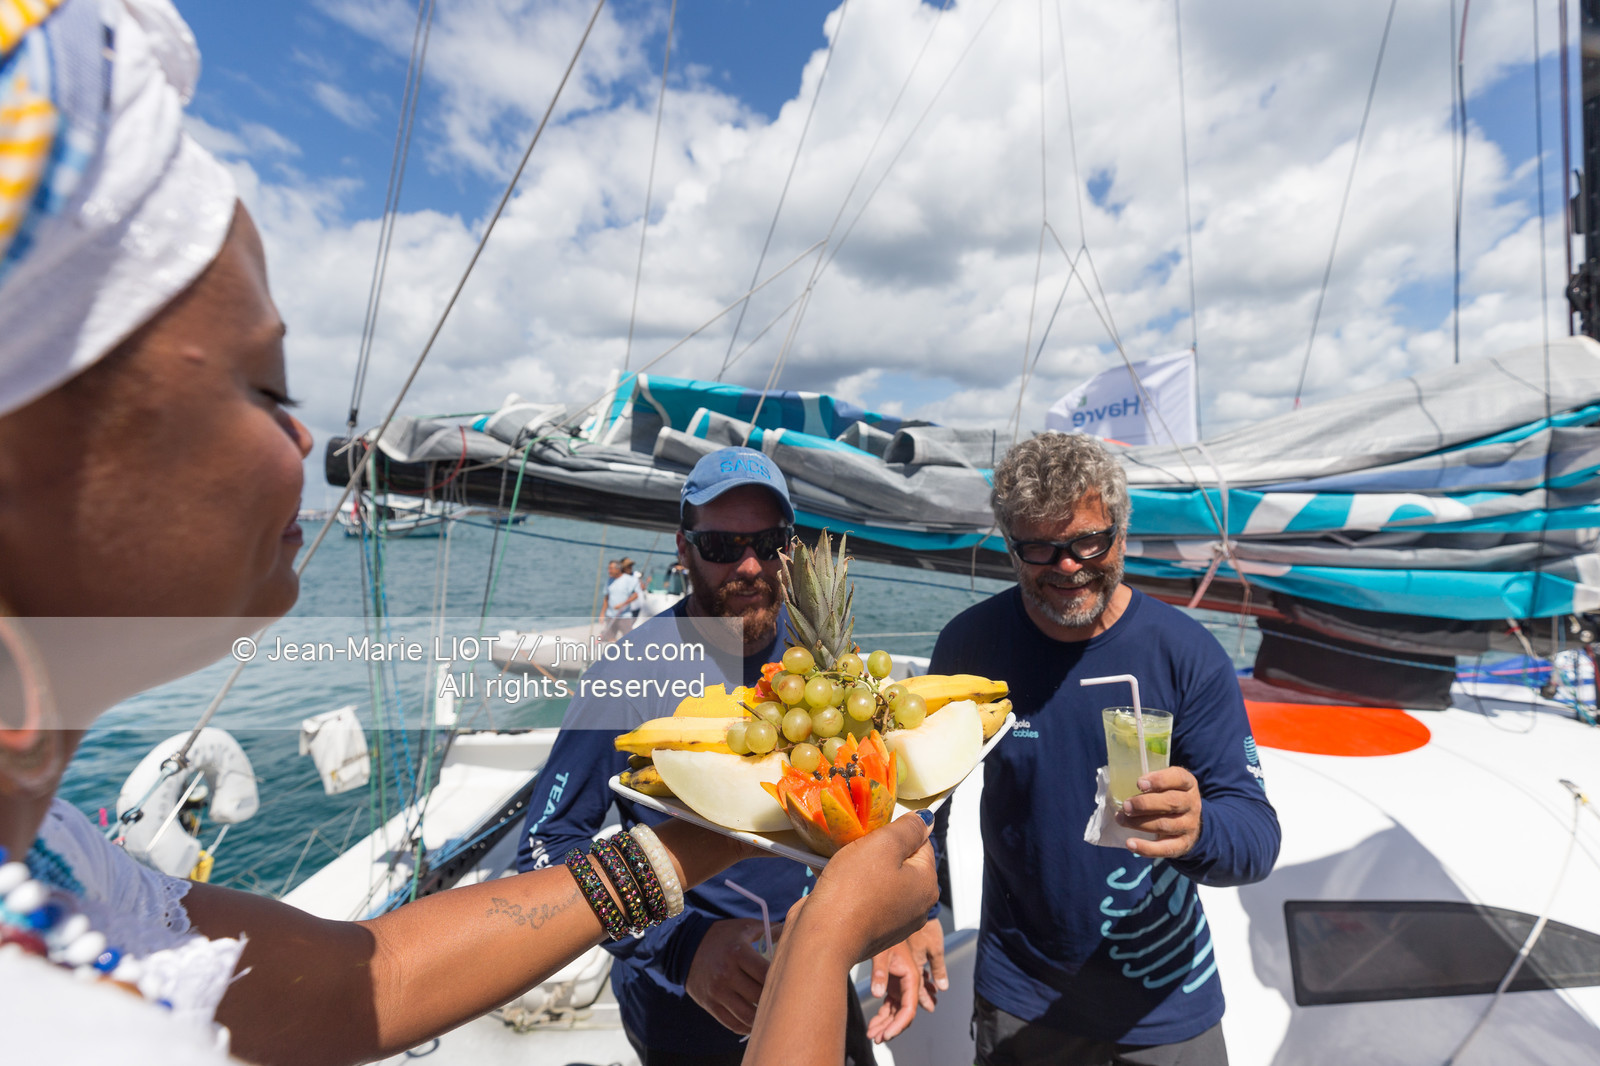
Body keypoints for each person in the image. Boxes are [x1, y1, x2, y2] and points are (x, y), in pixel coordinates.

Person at [0, 4, 937, 1063]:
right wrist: (704, 945)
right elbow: (548, 835)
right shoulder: (642, 667)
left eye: (770, 541)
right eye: (265, 385)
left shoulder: (71, 876)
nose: (309, 440)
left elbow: (377, 977)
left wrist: (820, 883)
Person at [518, 446, 930, 1064]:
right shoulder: (629, 672)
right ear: (684, 550)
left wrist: (904, 921)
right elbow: (547, 843)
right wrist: (680, 948)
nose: (749, 564)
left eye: (768, 542)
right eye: (720, 546)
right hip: (684, 987)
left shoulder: (822, 663)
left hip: (813, 955)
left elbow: (885, 791)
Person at [929, 433, 1281, 1066]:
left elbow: (1255, 838)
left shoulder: (1185, 655)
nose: (1067, 566)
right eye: (1040, 547)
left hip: (1169, 1004)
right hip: (1021, 1000)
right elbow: (922, 809)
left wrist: (1198, 827)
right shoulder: (971, 648)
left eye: (1088, 541)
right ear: (1011, 547)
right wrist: (916, 916)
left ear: (1120, 534)